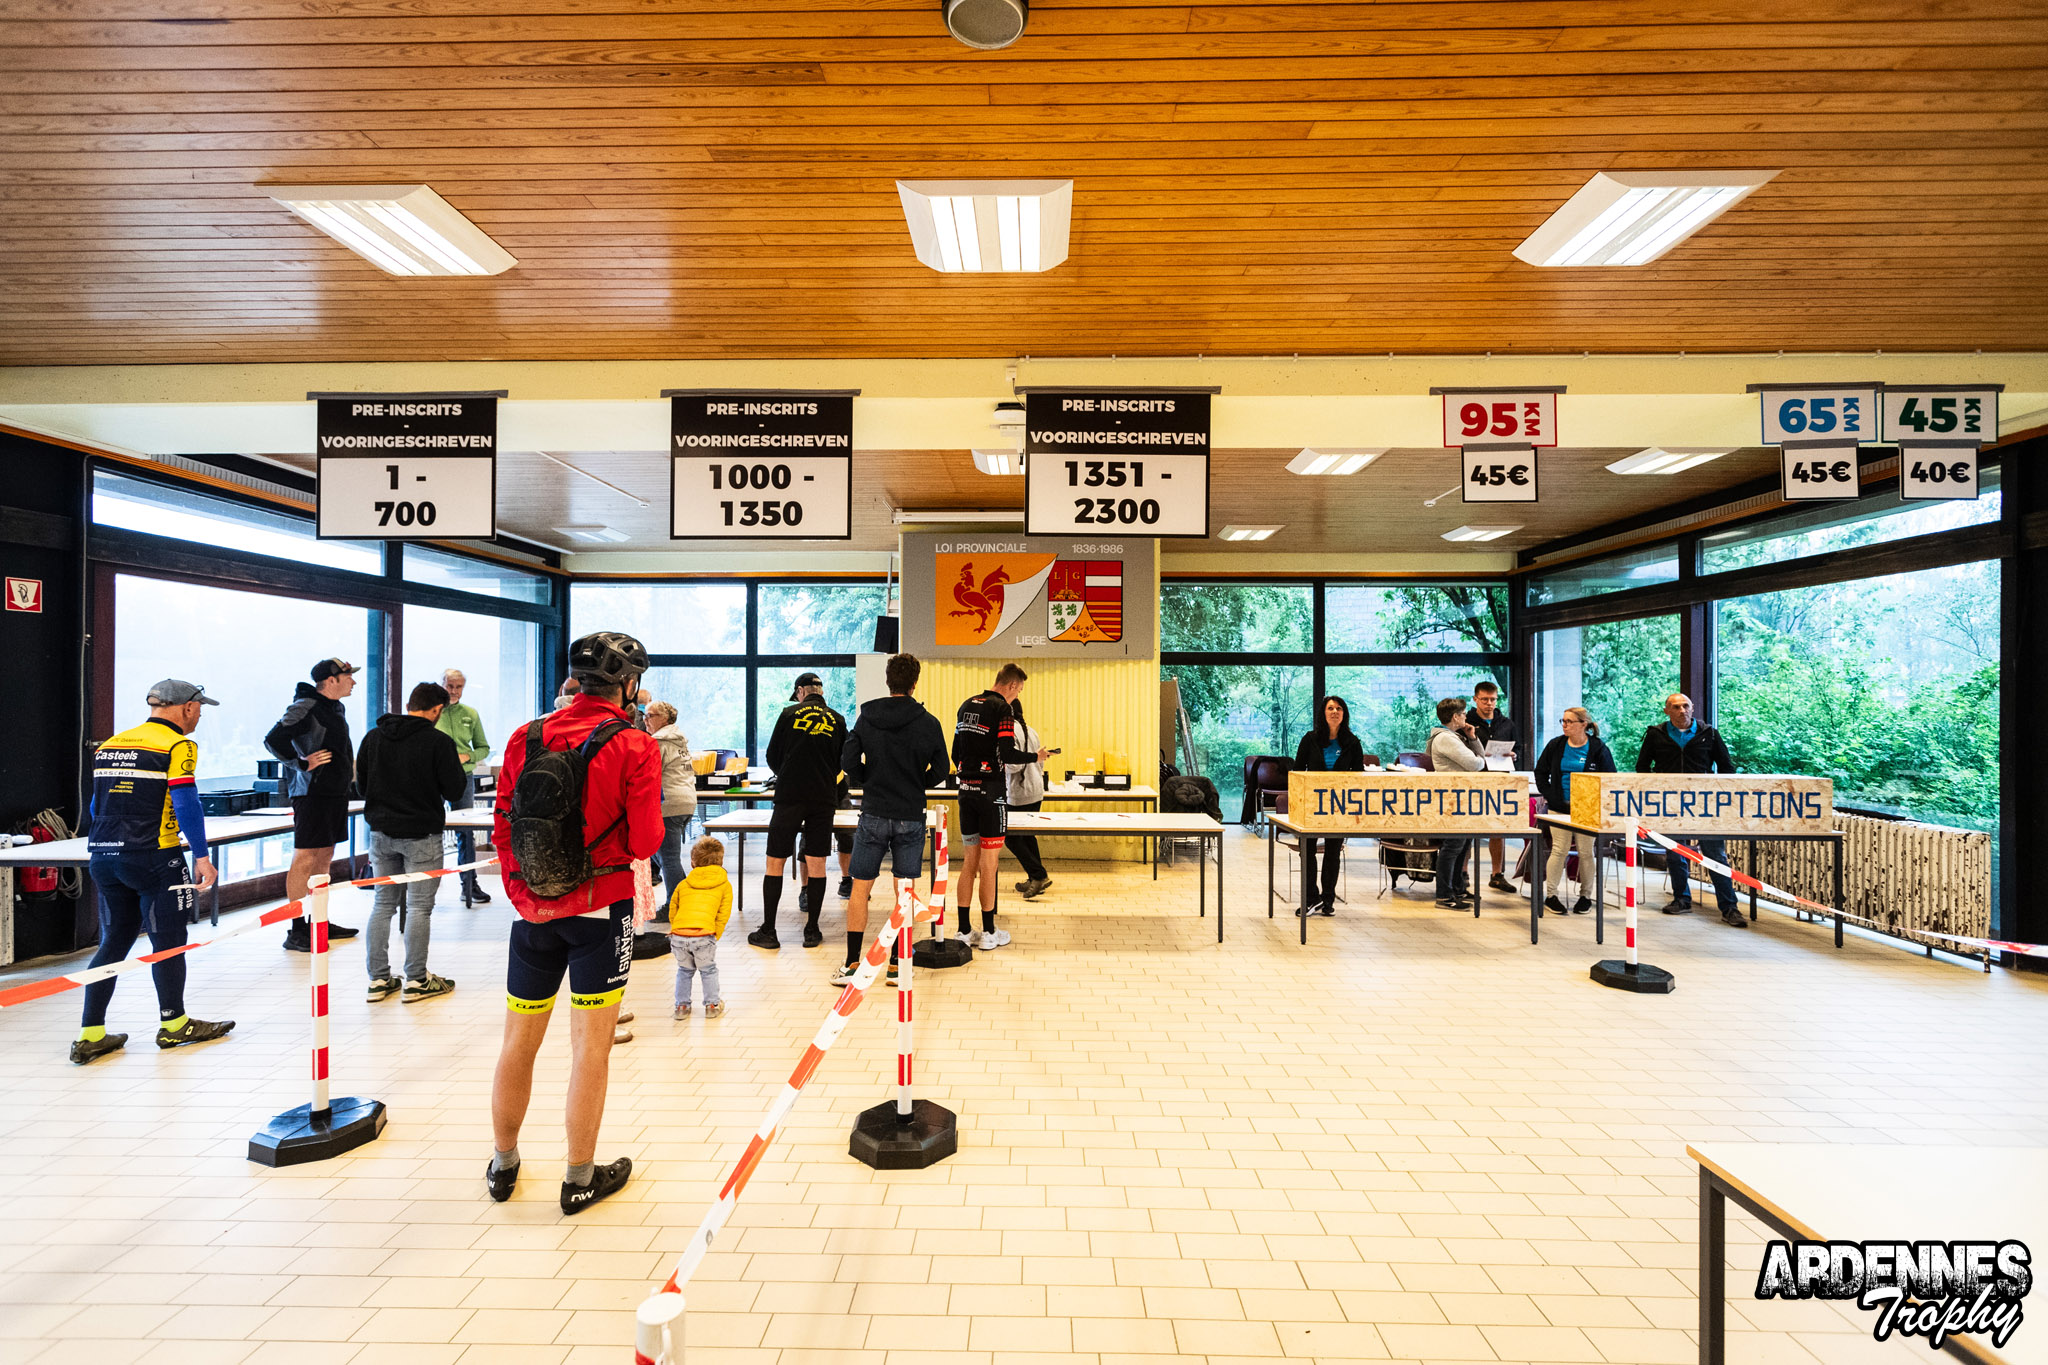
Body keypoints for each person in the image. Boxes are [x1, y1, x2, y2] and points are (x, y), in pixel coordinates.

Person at [488, 631, 662, 1214]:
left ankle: (503, 1164)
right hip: (600, 911)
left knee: (518, 1042)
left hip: (532, 911)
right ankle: (580, 1178)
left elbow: (503, 827)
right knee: (591, 1049)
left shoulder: (526, 736)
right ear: (628, 685)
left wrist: (526, 893)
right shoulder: (635, 744)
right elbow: (646, 841)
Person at [71, 679, 233, 1064]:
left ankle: (91, 1034)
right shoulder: (178, 745)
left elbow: (95, 806)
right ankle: (174, 1024)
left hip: (104, 857)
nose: (198, 717)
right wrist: (202, 856)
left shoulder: (111, 745)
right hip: (155, 857)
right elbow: (187, 802)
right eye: (199, 710)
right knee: (169, 941)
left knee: (114, 941)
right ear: (187, 707)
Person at [835, 653, 950, 987]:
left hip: (873, 811)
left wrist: (869, 779)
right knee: (905, 890)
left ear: (888, 681)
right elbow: (941, 769)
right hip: (910, 814)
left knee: (860, 887)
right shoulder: (929, 722)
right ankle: (898, 965)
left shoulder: (867, 717)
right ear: (915, 683)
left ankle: (852, 964)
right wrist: (916, 783)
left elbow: (848, 760)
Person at [356, 681, 468, 1003]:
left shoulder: (373, 737)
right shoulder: (438, 742)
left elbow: (362, 786)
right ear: (437, 710)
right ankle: (417, 980)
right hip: (422, 835)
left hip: (380, 834)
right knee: (419, 907)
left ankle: (378, 980)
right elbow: (455, 790)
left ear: (409, 705)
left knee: (382, 904)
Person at [265, 658, 363, 951]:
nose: (353, 682)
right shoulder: (305, 706)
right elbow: (273, 740)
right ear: (331, 680)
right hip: (311, 794)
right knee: (305, 857)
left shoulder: (335, 707)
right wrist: (300, 763)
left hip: (334, 793)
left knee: (325, 856)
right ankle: (296, 929)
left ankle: (318, 920)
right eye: (348, 676)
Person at [952, 664, 1044, 950]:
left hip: (965, 791)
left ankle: (964, 930)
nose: (1017, 696)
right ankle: (989, 932)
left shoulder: (967, 704)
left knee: (969, 863)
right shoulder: (1003, 708)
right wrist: (1036, 757)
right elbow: (1007, 753)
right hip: (991, 794)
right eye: (1019, 690)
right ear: (1012, 686)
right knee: (989, 865)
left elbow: (955, 753)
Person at [754, 671, 847, 951]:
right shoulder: (838, 719)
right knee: (817, 863)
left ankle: (769, 931)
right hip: (823, 798)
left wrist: (789, 773)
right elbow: (843, 761)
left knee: (775, 862)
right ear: (821, 691)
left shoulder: (788, 714)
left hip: (789, 796)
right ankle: (812, 930)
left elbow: (772, 755)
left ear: (800, 692)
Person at [1636, 692, 1746, 927]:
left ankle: (1729, 907)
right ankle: (1681, 899)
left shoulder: (1710, 733)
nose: (1682, 711)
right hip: (1670, 804)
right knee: (1675, 853)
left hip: (1706, 805)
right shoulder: (1656, 734)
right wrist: (1656, 789)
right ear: (1667, 711)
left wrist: (1719, 795)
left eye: (1686, 706)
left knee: (1716, 856)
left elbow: (1726, 767)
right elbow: (1642, 767)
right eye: (1676, 707)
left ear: (1693, 708)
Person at [1533, 706, 1616, 916]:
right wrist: (1550, 795)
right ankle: (1551, 895)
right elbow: (1540, 771)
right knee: (1559, 850)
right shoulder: (1556, 745)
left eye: (1569, 721)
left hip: (1587, 808)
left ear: (1583, 724)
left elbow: (1610, 777)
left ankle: (1585, 896)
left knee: (1586, 852)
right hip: (1559, 807)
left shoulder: (1597, 747)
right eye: (1563, 721)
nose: (1565, 725)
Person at [1291, 695, 1366, 917]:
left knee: (1333, 853)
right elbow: (1297, 771)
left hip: (1339, 806)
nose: (1335, 712)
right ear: (1323, 713)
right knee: (1307, 850)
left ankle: (1328, 900)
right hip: (1312, 804)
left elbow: (1358, 775)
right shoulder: (1310, 739)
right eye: (1330, 708)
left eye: (1339, 708)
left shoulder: (1352, 742)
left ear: (1344, 714)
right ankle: (1311, 898)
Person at [435, 668, 493, 904]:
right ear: (442, 685)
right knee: (431, 829)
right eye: (450, 686)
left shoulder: (470, 713)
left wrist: (468, 756)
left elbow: (483, 748)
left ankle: (469, 884)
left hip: (463, 776)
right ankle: (428, 884)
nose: (454, 691)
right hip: (434, 778)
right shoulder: (433, 712)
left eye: (458, 687)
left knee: (466, 832)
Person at [1426, 697, 1485, 909]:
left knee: (1463, 844)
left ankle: (1458, 888)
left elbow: (1479, 759)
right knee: (1453, 846)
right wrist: (1479, 757)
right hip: (1452, 799)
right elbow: (1476, 764)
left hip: (1461, 797)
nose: (1466, 717)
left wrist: (1473, 738)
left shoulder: (1454, 736)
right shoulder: (1446, 739)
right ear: (1455, 717)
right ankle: (1444, 894)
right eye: (1463, 714)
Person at [668, 835, 732, 1019]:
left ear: (693, 862)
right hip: (704, 935)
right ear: (721, 861)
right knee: (708, 970)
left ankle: (681, 1007)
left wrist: (677, 928)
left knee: (684, 971)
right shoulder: (724, 885)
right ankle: (712, 1005)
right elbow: (723, 914)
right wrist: (715, 934)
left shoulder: (684, 884)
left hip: (679, 935)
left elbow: (673, 909)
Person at [1466, 679, 1521, 893]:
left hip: (1499, 779)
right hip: (1474, 779)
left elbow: (1518, 748)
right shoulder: (1466, 723)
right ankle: (1463, 872)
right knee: (1468, 828)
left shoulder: (1507, 724)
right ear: (1475, 699)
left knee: (1498, 829)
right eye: (1484, 699)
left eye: (1493, 699)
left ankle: (1497, 874)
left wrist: (1514, 755)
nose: (1489, 704)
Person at [646, 701, 698, 915]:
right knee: (659, 854)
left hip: (669, 804)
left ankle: (675, 907)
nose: (645, 719)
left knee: (668, 858)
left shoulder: (659, 742)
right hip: (686, 802)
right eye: (645, 715)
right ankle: (684, 899)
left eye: (651, 715)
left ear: (665, 719)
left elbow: (649, 773)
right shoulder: (679, 740)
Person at [1005, 696, 1054, 901]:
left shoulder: (1010, 732)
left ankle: (1038, 875)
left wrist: (998, 764)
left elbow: (1013, 765)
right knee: (1027, 836)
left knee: (1010, 836)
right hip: (1035, 790)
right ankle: (1034, 876)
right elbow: (1039, 761)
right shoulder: (1031, 730)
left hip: (1019, 793)